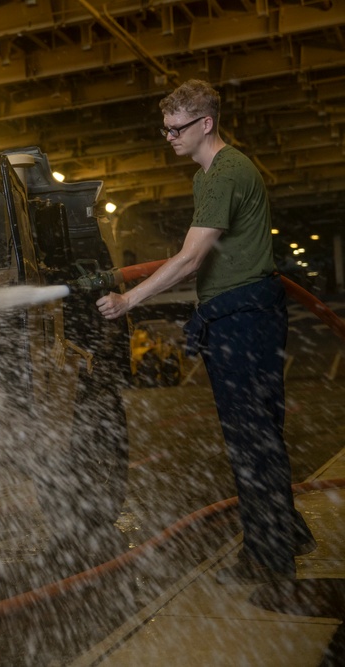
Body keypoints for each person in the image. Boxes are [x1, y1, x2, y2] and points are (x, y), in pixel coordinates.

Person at [96, 79, 315, 585]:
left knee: (250, 439)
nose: (167, 137)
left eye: (176, 128)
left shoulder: (224, 173)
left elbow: (192, 258)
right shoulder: (209, 176)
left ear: (205, 124)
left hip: (242, 316)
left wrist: (130, 298)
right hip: (242, 313)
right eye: (165, 128)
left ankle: (269, 557)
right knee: (258, 433)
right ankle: (288, 529)